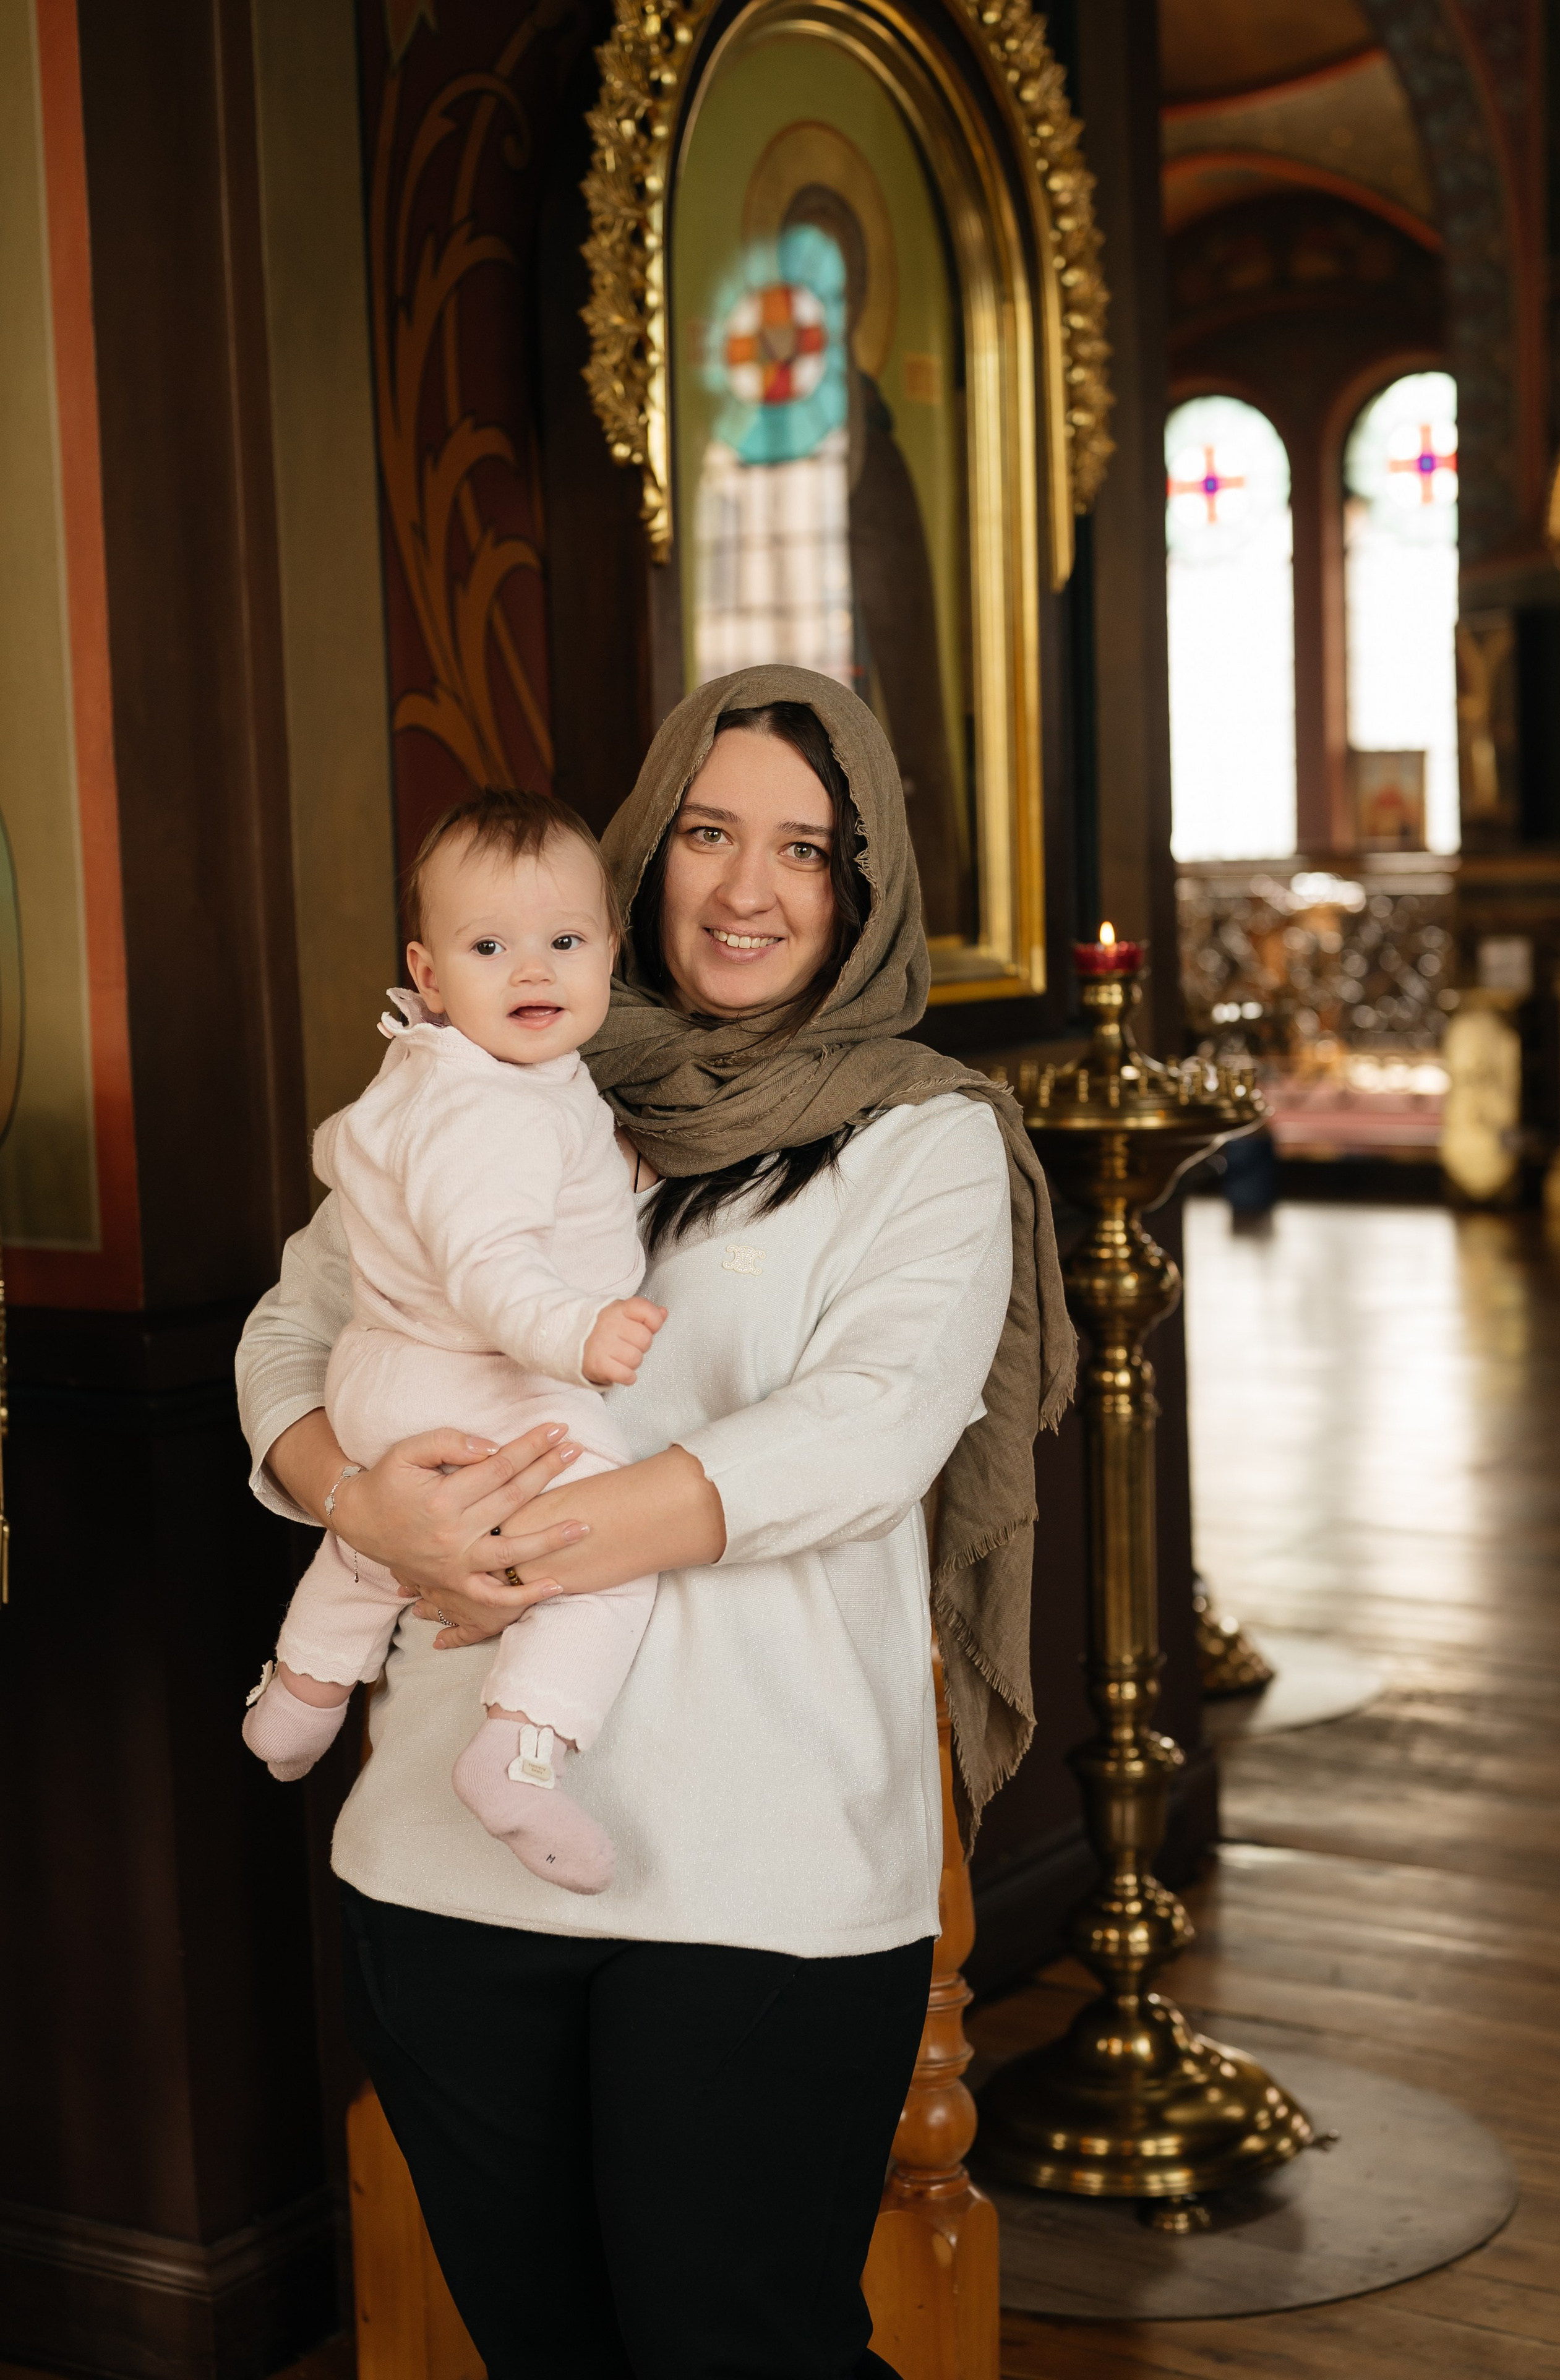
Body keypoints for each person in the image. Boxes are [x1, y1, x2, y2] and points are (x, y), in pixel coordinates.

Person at [235, 664, 1075, 2378]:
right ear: (642, 847)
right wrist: (359, 1500)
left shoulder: (920, 1139)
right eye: (706, 832)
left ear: (864, 884)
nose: (747, 889)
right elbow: (291, 1330)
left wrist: (507, 1546)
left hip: (754, 1872)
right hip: (444, 1857)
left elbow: (863, 1434)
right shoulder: (485, 1064)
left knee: (737, 2348)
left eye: (805, 849)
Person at [242, 790, 667, 1896]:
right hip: (487, 1369)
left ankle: (299, 1697)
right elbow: (490, 1266)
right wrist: (576, 1334)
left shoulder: (454, 1075)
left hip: (383, 1379)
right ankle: (523, 1750)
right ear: (430, 975)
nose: (533, 974)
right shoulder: (498, 1112)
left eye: (564, 944)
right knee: (598, 1551)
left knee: (377, 1542)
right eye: (492, 948)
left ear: (609, 953)